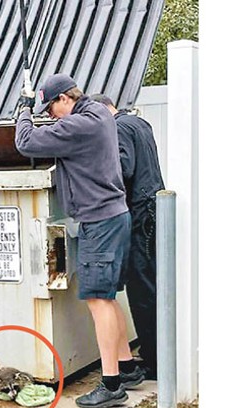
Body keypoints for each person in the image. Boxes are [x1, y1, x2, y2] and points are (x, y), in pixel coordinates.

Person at [15, 74, 144, 408]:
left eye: (51, 108)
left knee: (97, 301)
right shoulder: (100, 113)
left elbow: (26, 143)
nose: (52, 115)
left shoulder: (78, 126)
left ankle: (112, 385)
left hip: (99, 222)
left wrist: (24, 108)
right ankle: (126, 367)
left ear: (64, 100)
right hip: (114, 216)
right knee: (108, 297)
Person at [90, 94, 165, 380]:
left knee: (141, 289)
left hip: (139, 213)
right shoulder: (139, 123)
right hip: (154, 208)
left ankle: (154, 360)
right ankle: (160, 353)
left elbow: (122, 169)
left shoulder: (118, 128)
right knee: (153, 285)